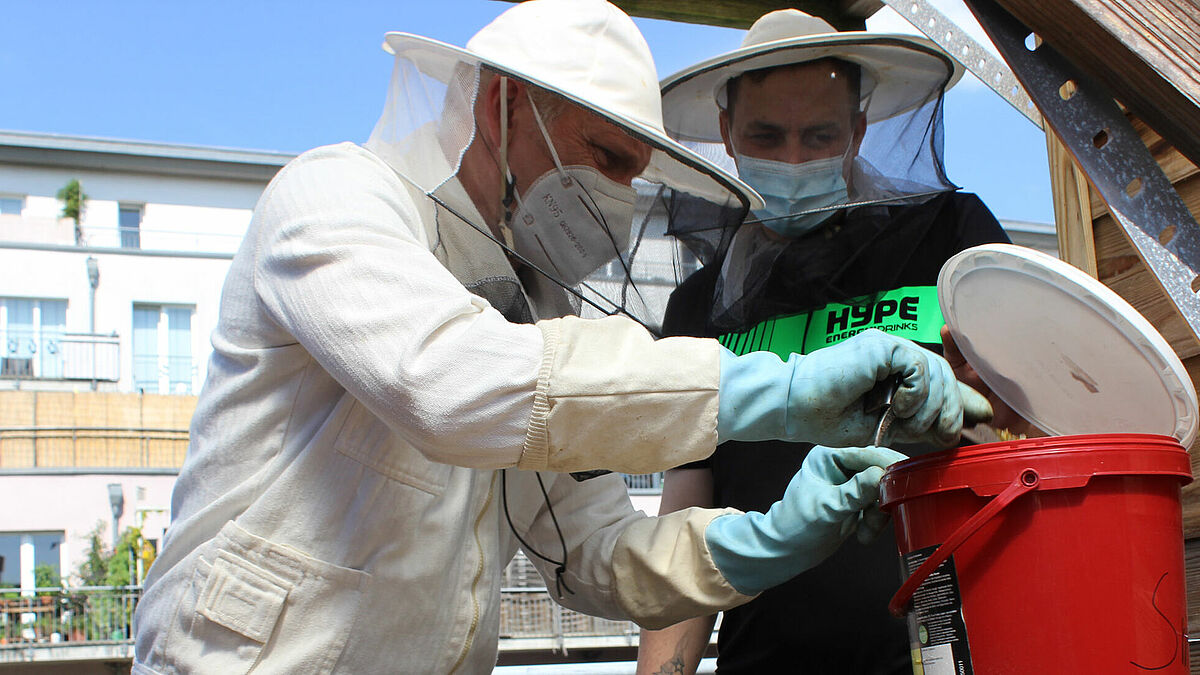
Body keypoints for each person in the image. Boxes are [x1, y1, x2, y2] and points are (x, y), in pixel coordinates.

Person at [131, 2, 991, 673]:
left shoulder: (536, 312)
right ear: (506, 103)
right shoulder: (336, 199)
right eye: (605, 157)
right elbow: (451, 384)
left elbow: (596, 551)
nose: (619, 195)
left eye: (633, 172)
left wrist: (776, 535)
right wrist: (788, 390)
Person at [638, 9, 1022, 675]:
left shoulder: (951, 238)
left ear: (858, 131)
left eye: (819, 135)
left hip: (943, 651)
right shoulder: (698, 306)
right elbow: (685, 518)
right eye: (766, 135)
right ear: (727, 133)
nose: (792, 159)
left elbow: (1033, 430)